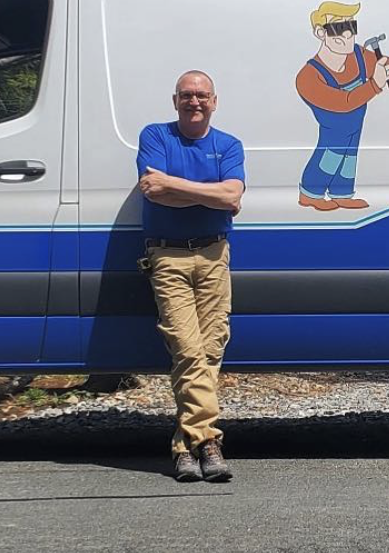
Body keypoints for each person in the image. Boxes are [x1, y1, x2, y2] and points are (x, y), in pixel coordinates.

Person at [136, 70, 245, 482]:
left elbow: (232, 195)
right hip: (167, 257)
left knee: (211, 348)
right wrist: (211, 194)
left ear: (214, 101)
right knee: (186, 348)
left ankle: (186, 448)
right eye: (186, 95)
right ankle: (209, 442)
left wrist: (176, 187)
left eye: (201, 95)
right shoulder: (156, 136)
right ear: (175, 100)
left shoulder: (228, 144)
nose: (194, 101)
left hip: (215, 253)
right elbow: (153, 190)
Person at [295, 1, 389, 210]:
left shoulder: (358, 56)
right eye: (339, 28)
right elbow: (342, 103)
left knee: (349, 157)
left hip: (355, 125)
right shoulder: (309, 76)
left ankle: (342, 193)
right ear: (321, 33)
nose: (348, 35)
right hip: (335, 128)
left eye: (351, 26)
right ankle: (311, 193)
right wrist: (375, 84)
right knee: (330, 154)